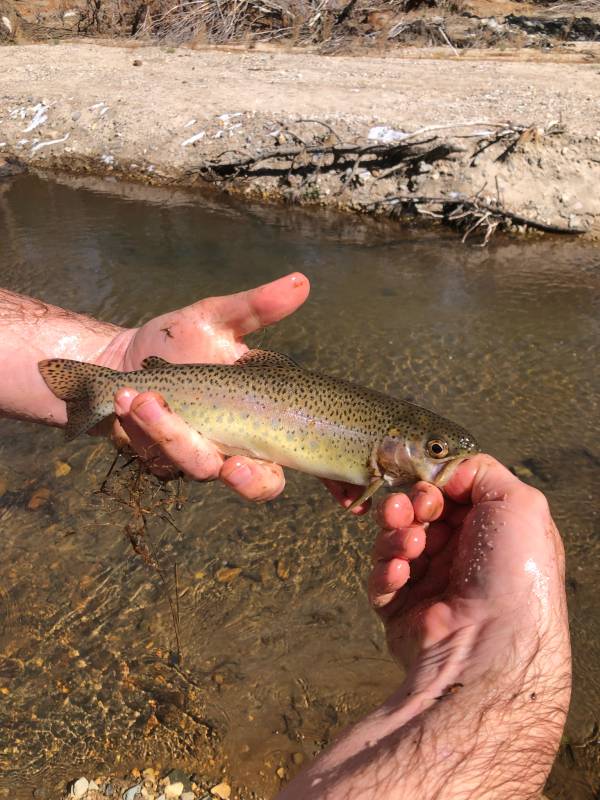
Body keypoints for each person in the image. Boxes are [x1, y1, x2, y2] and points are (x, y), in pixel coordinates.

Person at [0, 276, 571, 799]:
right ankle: (104, 391)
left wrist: (116, 362)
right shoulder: (384, 473)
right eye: (438, 451)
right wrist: (495, 664)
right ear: (396, 446)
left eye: (440, 452)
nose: (444, 462)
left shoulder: (388, 470)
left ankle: (108, 388)